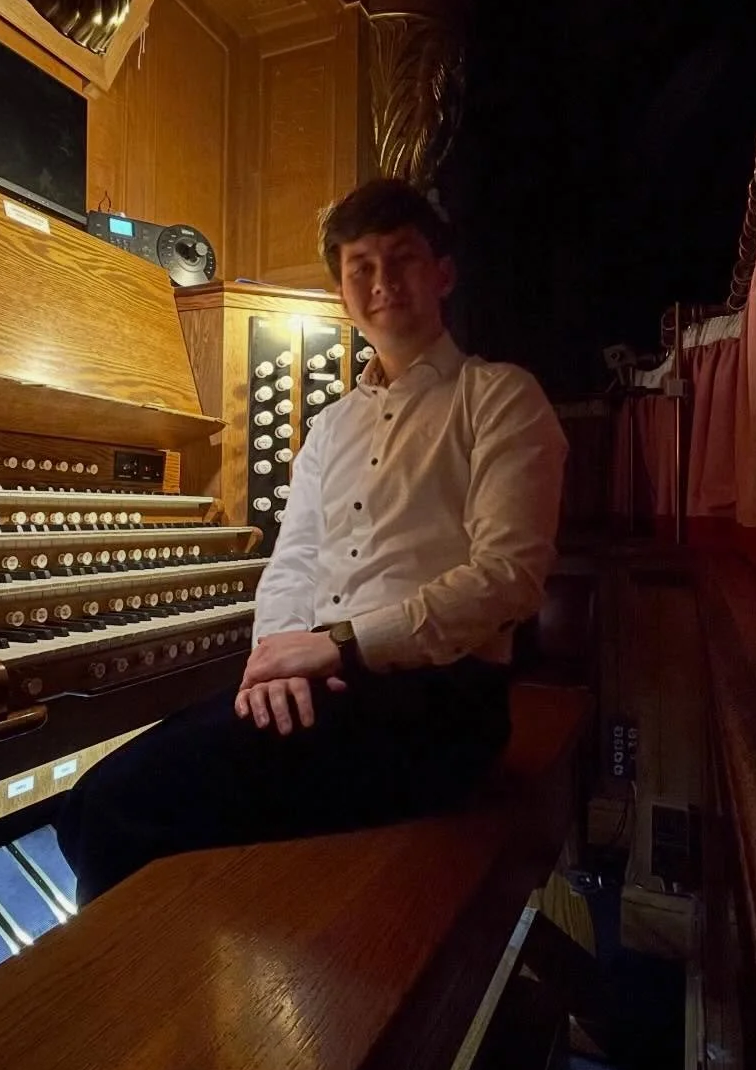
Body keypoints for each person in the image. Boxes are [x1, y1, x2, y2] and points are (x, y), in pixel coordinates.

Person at [56, 178, 568, 904]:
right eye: (361, 265)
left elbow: (508, 578)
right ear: (341, 292)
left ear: (443, 272)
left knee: (115, 810)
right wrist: (277, 662)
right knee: (90, 804)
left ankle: (157, 1002)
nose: (383, 281)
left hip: (442, 707)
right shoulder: (330, 427)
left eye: (403, 258)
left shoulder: (501, 397)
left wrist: (341, 643)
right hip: (328, 685)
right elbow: (292, 558)